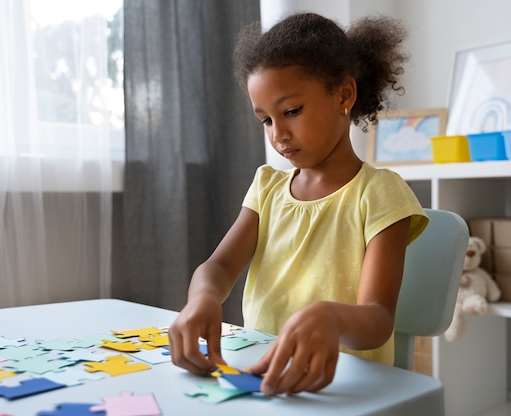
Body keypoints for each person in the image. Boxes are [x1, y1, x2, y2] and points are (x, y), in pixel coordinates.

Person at [168, 12, 429, 396]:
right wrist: (203, 297)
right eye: (266, 121)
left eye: (291, 111)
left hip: (343, 386)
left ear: (344, 95)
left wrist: (331, 317)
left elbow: (378, 318)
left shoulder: (379, 193)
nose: (279, 134)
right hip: (262, 376)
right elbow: (219, 266)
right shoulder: (267, 187)